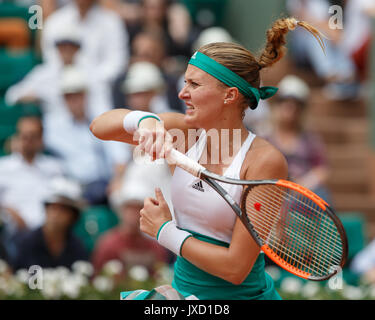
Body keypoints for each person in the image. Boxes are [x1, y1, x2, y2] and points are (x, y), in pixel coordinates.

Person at [90, 18, 324, 300]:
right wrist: (146, 121)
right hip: (185, 292)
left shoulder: (264, 160)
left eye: (194, 84)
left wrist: (165, 231)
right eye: (184, 82)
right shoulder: (184, 133)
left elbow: (236, 267)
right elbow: (100, 126)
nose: (181, 93)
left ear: (229, 95)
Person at [43, 66, 131, 205]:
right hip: (72, 185)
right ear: (63, 99)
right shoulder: (52, 126)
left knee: (125, 196)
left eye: (78, 94)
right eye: (69, 96)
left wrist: (118, 179)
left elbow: (118, 153)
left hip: (105, 184)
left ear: (85, 95)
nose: (74, 101)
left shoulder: (100, 120)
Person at [92, 163, 170, 277]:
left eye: (138, 208)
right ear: (122, 210)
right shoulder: (108, 244)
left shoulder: (156, 247)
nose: (133, 214)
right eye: (130, 208)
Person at [266, 75, 332, 204]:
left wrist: (303, 185)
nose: (290, 108)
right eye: (285, 102)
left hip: (304, 196)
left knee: (322, 196)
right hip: (273, 193)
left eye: (296, 104)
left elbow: (322, 169)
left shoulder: (310, 139)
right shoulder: (265, 137)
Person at [11, 177, 89, 271]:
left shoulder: (77, 247)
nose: (56, 215)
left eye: (63, 210)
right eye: (53, 208)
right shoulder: (26, 242)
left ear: (73, 217)